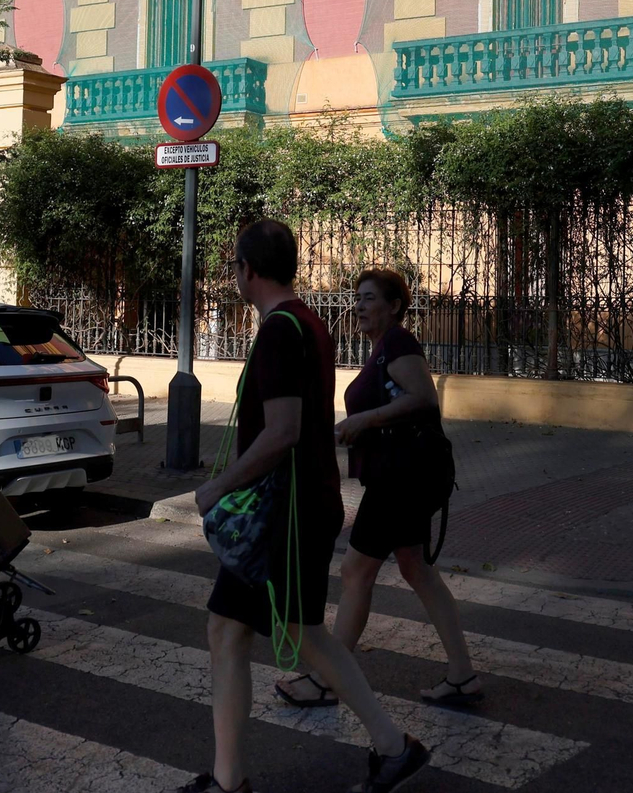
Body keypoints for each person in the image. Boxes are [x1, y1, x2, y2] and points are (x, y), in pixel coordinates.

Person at [187, 221, 431, 793]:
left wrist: (217, 486)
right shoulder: (308, 322)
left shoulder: (279, 330)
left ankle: (235, 782)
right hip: (303, 508)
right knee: (269, 630)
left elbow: (282, 433)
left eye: (235, 267)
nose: (234, 276)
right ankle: (390, 750)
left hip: (283, 516)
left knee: (244, 630)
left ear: (248, 269)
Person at [276, 268, 481, 710]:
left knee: (356, 572)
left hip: (399, 479)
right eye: (358, 298)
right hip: (400, 476)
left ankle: (330, 680)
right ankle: (462, 675)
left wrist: (363, 421)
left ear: (394, 306)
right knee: (416, 569)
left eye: (370, 299)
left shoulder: (399, 344)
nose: (360, 306)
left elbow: (424, 398)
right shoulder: (381, 350)